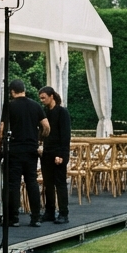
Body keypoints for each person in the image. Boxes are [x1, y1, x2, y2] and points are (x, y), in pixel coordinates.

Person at [0, 78, 49, 226]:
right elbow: (46, 126)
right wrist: (39, 139)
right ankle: (36, 217)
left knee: (13, 184)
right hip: (31, 149)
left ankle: (13, 218)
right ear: (24, 90)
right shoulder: (35, 105)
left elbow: (2, 129)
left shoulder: (9, 106)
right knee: (31, 182)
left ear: (12, 92)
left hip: (14, 149)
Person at [38, 86, 71, 224]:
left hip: (58, 152)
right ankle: (49, 211)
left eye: (44, 97)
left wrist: (62, 155)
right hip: (46, 152)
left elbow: (65, 135)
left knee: (60, 183)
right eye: (40, 98)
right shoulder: (45, 112)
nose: (42, 100)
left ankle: (63, 213)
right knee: (48, 184)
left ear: (51, 96)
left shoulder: (62, 112)